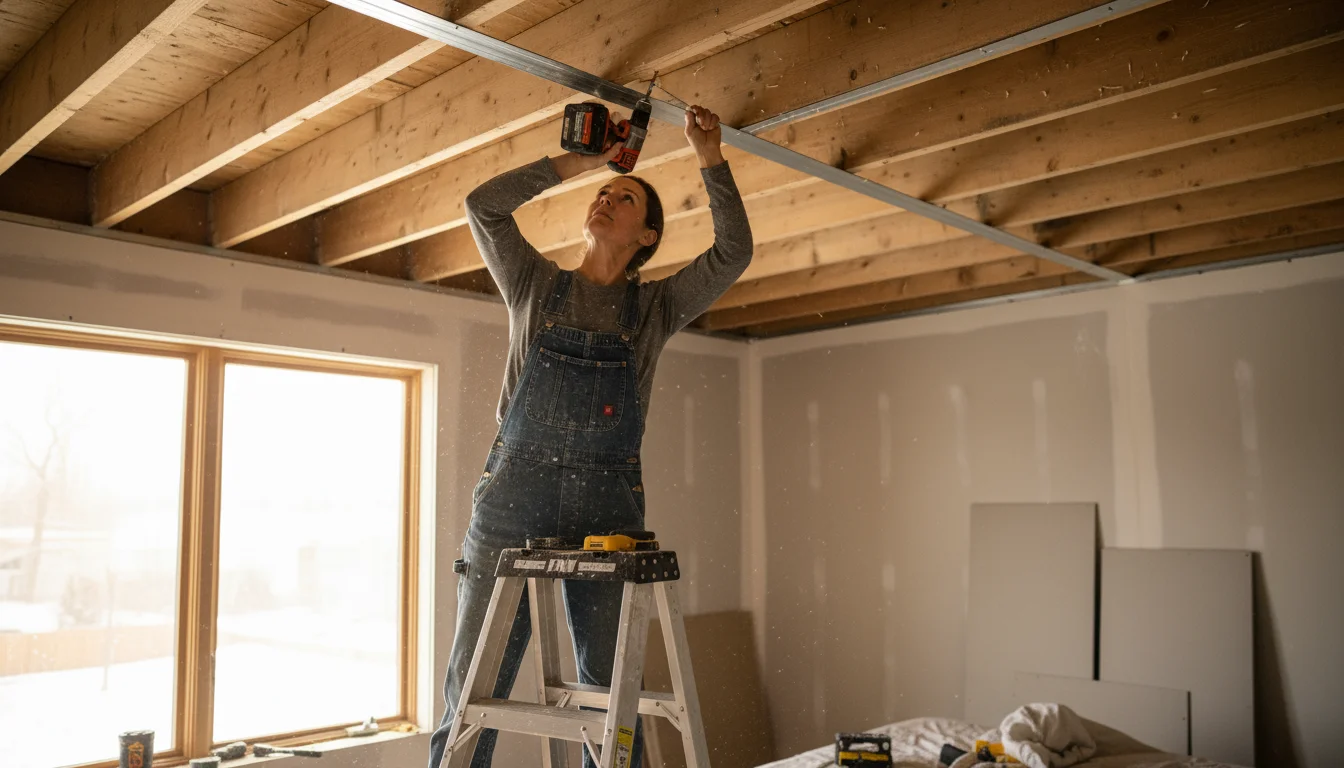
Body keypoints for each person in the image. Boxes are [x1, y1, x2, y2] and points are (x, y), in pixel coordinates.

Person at [427, 104, 752, 768]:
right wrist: (585, 160)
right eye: (602, 193)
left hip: (607, 511)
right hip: (512, 500)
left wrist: (709, 156)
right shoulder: (534, 284)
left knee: (609, 700)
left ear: (647, 235)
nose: (606, 198)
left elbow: (733, 252)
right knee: (472, 691)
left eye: (623, 196)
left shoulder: (654, 309)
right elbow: (482, 206)